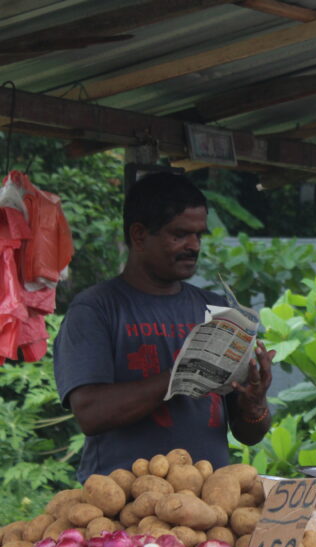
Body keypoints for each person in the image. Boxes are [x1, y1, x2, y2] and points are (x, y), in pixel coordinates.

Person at [54, 172, 275, 481]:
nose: (194, 246)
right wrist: (179, 377)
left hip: (207, 504)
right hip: (123, 507)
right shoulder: (95, 309)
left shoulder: (217, 310)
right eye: (180, 234)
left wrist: (255, 403)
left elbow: (249, 433)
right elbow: (90, 413)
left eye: (199, 235)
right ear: (139, 235)